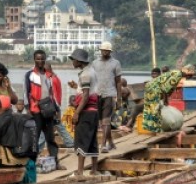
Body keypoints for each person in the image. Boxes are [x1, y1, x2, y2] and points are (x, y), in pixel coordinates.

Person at [24, 49, 64, 170]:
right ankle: (31, 163)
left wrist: (57, 109)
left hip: (48, 109)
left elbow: (53, 94)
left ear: (45, 59)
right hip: (35, 110)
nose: (40, 61)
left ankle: (56, 162)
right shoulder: (29, 74)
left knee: (50, 137)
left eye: (42, 59)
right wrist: (28, 109)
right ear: (34, 59)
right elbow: (26, 93)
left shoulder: (49, 75)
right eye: (38, 58)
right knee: (34, 139)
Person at [69, 48, 100, 176]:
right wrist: (76, 87)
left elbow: (86, 96)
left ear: (79, 61)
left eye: (73, 60)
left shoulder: (85, 74)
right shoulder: (91, 71)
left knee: (81, 139)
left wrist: (77, 112)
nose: (72, 62)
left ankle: (80, 171)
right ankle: (94, 169)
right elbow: (87, 91)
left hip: (86, 111)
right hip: (93, 111)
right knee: (92, 139)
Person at [140, 66, 195, 134]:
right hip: (153, 89)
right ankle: (153, 130)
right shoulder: (177, 76)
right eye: (190, 75)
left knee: (152, 110)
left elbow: (169, 88)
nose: (190, 77)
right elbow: (165, 88)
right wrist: (166, 100)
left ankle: (153, 129)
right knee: (154, 110)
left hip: (152, 87)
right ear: (187, 72)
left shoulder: (177, 73)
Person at [91, 41, 122, 153]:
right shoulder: (95, 63)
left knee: (106, 121)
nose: (105, 52)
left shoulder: (115, 63)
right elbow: (92, 79)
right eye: (103, 50)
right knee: (101, 121)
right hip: (97, 93)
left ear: (110, 52)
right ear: (101, 51)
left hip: (109, 93)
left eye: (107, 51)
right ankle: (111, 143)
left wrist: (119, 98)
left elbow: (118, 82)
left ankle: (103, 145)